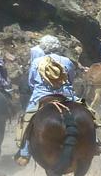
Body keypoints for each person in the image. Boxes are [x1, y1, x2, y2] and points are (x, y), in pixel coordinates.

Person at [14, 35, 81, 166]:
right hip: (66, 95)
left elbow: (31, 82)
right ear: (58, 47)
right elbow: (71, 79)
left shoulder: (37, 61)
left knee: (26, 119)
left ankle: (25, 154)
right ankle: (95, 142)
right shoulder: (67, 61)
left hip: (41, 96)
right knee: (88, 111)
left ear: (44, 47)